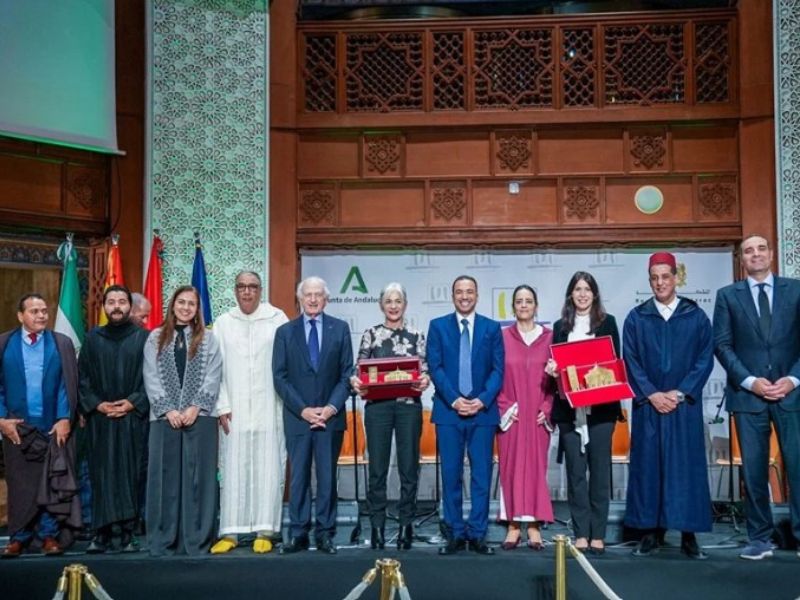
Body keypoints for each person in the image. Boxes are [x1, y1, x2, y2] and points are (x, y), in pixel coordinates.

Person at [714, 234, 800, 560]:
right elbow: (722, 345)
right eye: (748, 251)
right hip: (748, 397)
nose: (755, 254)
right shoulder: (728, 296)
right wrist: (751, 382)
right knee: (753, 471)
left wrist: (792, 380)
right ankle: (760, 539)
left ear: (771, 254)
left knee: (798, 466)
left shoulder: (796, 289)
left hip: (792, 395)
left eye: (761, 249)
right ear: (742, 259)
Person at [623, 252, 714, 560]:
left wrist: (680, 392)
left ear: (676, 277)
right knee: (649, 469)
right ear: (649, 281)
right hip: (649, 407)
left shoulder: (695, 316)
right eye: (654, 278)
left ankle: (689, 536)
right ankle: (650, 533)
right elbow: (631, 361)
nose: (660, 283)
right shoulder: (637, 317)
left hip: (683, 407)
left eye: (665, 276)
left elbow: (704, 359)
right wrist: (651, 394)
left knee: (685, 468)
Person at [273, 276, 353, 555]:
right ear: (300, 298)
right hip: (298, 417)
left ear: (326, 299)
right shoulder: (285, 332)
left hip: (331, 417)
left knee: (327, 477)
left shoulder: (340, 329)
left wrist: (330, 408)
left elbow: (346, 375)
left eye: (318, 294)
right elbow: (280, 377)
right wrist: (304, 410)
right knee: (299, 478)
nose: (313, 299)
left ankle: (325, 533)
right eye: (308, 294)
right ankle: (298, 533)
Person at [210, 271, 289, 555]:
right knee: (232, 468)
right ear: (235, 290)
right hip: (234, 409)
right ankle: (230, 531)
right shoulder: (222, 323)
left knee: (269, 467)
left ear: (260, 289)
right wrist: (221, 405)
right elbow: (214, 370)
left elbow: (286, 365)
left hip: (271, 406)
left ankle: (265, 529)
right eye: (241, 287)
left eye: (252, 287)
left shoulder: (277, 319)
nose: (247, 292)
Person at [427, 275, 504, 556]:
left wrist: (481, 401)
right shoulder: (437, 327)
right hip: (449, 413)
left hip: (482, 415)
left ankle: (479, 534)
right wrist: (456, 399)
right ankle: (456, 533)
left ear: (477, 295)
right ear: (452, 295)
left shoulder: (492, 328)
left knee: (482, 476)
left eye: (469, 291)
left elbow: (498, 371)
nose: (464, 296)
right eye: (459, 292)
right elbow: (435, 368)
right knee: (451, 475)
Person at [350, 282, 430, 550]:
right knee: (377, 470)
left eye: (398, 301)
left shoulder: (417, 335)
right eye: (388, 301)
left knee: (409, 469)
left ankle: (406, 525)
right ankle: (377, 527)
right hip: (377, 409)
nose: (393, 305)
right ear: (381, 305)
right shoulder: (371, 334)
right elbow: (358, 369)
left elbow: (425, 370)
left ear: (405, 305)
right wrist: (356, 382)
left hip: (409, 407)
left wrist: (425, 380)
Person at [143, 285, 222, 556]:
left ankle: (197, 540)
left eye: (191, 304)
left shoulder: (209, 339)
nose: (186, 307)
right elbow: (150, 376)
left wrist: (194, 407)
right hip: (164, 419)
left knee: (198, 478)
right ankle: (164, 539)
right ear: (173, 305)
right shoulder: (155, 338)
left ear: (197, 309)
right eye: (182, 302)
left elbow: (214, 375)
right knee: (164, 478)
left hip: (200, 419)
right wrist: (168, 410)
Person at [0, 293, 79, 558]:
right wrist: (2, 420)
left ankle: (49, 536)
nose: (41, 315)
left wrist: (64, 418)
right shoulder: (3, 343)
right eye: (34, 311)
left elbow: (67, 385)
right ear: (21, 316)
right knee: (21, 486)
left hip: (52, 427)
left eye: (44, 310)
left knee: (52, 483)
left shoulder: (62, 343)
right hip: (16, 429)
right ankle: (18, 538)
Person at [550, 272, 621, 554]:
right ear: (571, 294)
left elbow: (614, 363)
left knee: (600, 474)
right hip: (569, 413)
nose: (582, 294)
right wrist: (553, 370)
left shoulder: (608, 323)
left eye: (587, 289)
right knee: (576, 474)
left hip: (601, 411)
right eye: (577, 289)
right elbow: (554, 363)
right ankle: (581, 531)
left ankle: (598, 533)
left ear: (594, 294)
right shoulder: (559, 327)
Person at [78, 284, 150, 553]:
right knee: (101, 474)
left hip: (132, 419)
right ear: (104, 306)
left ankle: (128, 532)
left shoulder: (144, 338)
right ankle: (101, 533)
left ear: (130, 307)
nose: (117, 306)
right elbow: (82, 377)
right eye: (112, 301)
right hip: (101, 420)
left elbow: (152, 380)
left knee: (130, 474)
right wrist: (98, 405)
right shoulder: (93, 338)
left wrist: (133, 403)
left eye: (122, 301)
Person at [496, 284, 554, 551]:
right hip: (513, 414)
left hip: (538, 415)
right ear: (513, 307)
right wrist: (505, 406)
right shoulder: (502, 338)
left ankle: (533, 525)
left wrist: (548, 407)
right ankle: (512, 525)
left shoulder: (550, 338)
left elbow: (558, 379)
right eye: (519, 301)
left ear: (536, 306)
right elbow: (494, 376)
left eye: (528, 301)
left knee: (535, 469)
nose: (523, 305)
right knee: (510, 468)